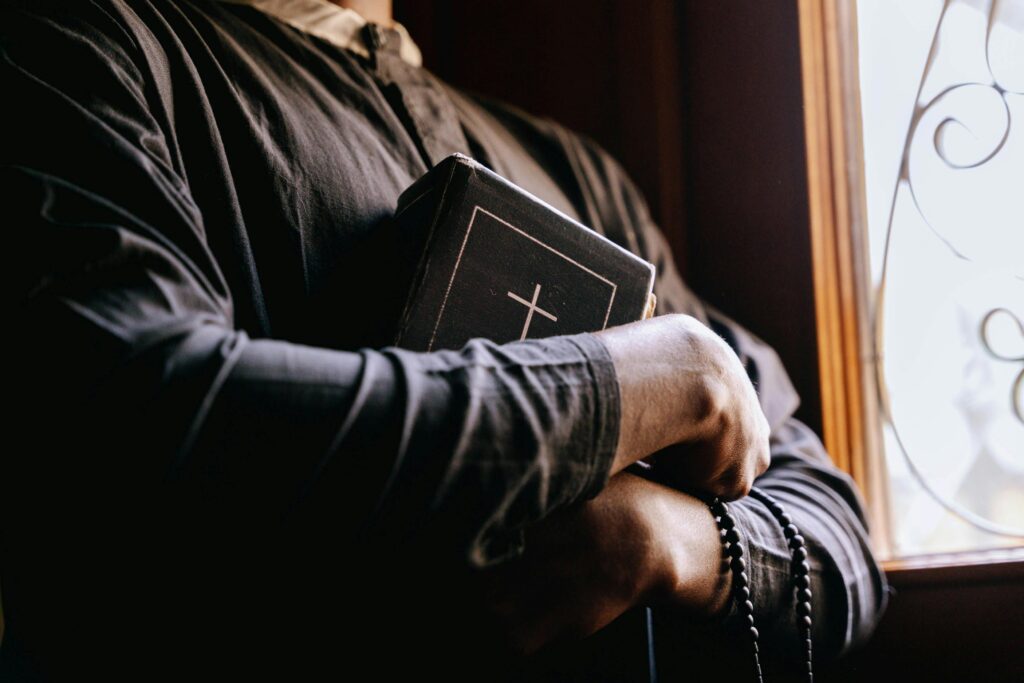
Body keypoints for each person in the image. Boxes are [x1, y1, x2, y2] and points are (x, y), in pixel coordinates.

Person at [0, 0, 887, 680]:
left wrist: (666, 545)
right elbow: (145, 419)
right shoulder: (74, 49)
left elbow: (836, 529)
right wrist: (632, 386)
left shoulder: (576, 169)